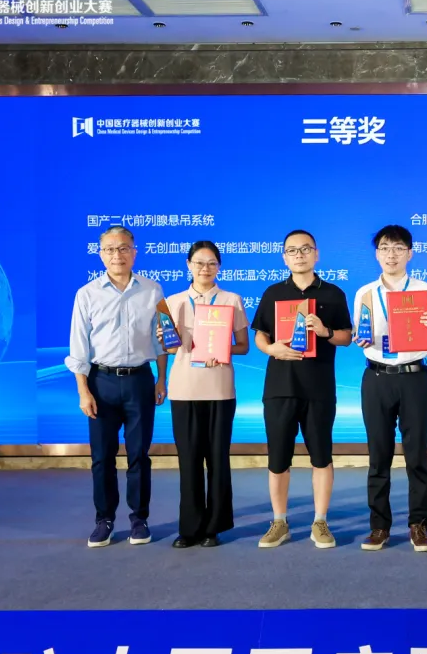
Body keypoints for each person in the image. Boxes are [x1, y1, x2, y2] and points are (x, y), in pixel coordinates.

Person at [66, 225, 167, 548]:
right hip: (101, 382)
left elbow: (161, 340)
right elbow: (78, 347)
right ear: (100, 255)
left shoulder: (153, 290)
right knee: (102, 457)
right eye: (110, 249)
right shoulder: (87, 294)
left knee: (139, 455)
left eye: (123, 248)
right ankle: (104, 520)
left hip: (140, 380)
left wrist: (161, 378)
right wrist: (83, 390)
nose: (117, 255)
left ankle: (139, 519)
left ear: (134, 253)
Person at [251, 229, 353, 549]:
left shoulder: (333, 294)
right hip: (280, 387)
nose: (299, 255)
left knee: (321, 456)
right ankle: (279, 522)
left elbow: (347, 337)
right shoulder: (273, 293)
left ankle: (320, 521)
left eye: (305, 249)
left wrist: (325, 332)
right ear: (284, 257)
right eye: (292, 250)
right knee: (278, 458)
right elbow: (260, 335)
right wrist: (271, 349)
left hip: (319, 387)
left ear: (316, 254)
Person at [352, 225, 427, 552]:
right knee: (378, 455)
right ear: (376, 254)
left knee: (417, 455)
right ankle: (379, 526)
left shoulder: (425, 290)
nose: (390, 254)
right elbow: (360, 331)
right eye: (384, 248)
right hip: (377, 378)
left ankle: (418, 525)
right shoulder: (365, 293)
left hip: (414, 378)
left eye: (397, 248)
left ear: (410, 253)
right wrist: (360, 338)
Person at [158, 241, 250, 549]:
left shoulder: (231, 299)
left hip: (220, 388)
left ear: (219, 267)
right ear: (188, 265)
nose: (205, 268)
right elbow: (170, 348)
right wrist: (165, 339)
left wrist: (221, 350)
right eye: (199, 262)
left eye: (211, 263)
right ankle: (190, 528)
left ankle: (214, 527)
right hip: (184, 388)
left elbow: (243, 346)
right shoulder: (172, 302)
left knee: (218, 459)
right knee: (189, 460)